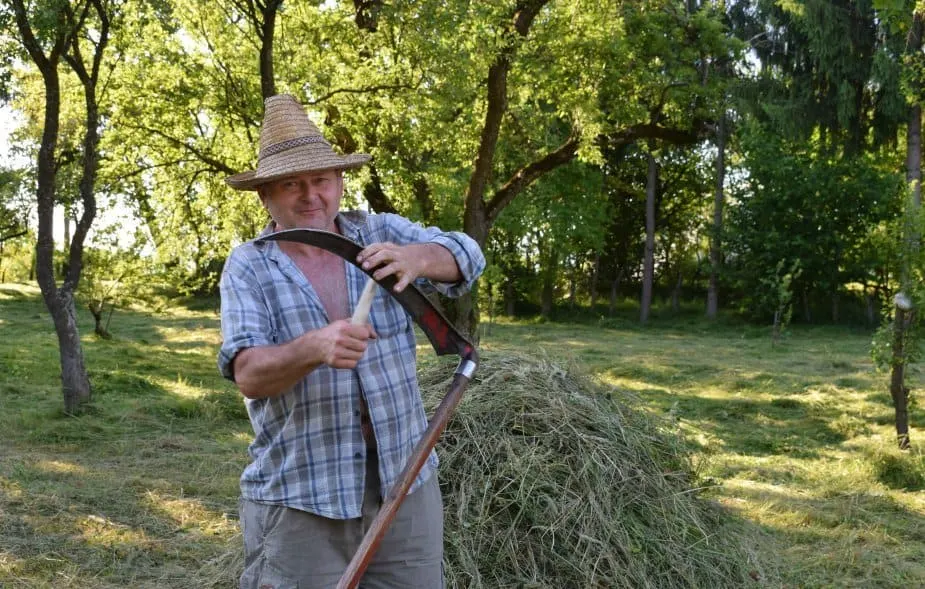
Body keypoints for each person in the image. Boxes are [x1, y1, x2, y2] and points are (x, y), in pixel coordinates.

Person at [217, 93, 485, 589]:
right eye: (290, 184)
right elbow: (249, 375)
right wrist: (314, 348)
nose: (310, 195)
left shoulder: (378, 233)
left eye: (321, 180)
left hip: (404, 485)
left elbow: (467, 255)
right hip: (302, 496)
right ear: (265, 196)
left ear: (340, 182)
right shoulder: (250, 265)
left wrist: (416, 259)